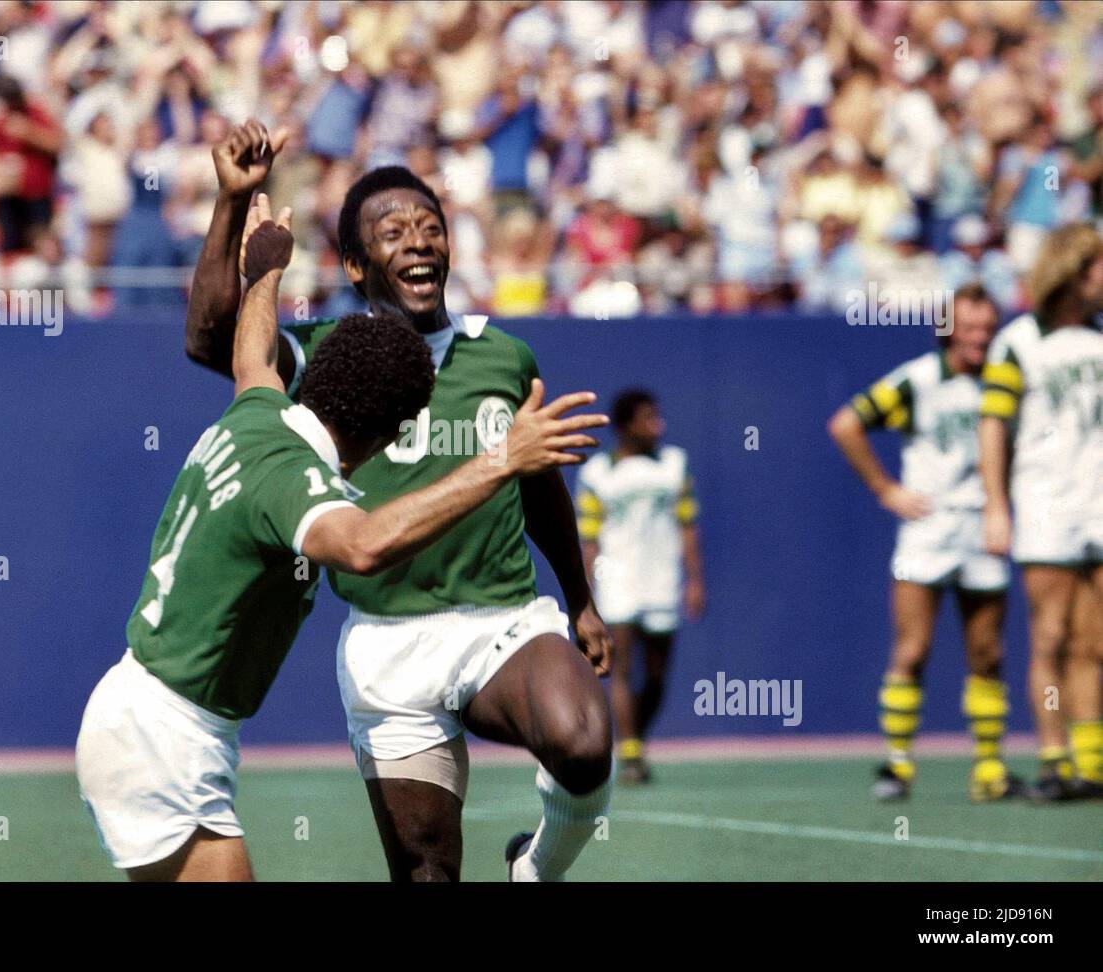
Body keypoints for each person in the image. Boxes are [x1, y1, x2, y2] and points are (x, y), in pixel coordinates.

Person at [76, 194, 607, 881]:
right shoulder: (295, 481)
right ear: (391, 432)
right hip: (165, 742)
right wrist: (501, 457)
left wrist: (264, 268)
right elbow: (362, 545)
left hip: (148, 724)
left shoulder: (258, 407)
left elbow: (249, 352)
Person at [828, 284, 1018, 802]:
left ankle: (988, 769)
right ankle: (898, 765)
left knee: (988, 651)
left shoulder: (1005, 381)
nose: (980, 336)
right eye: (970, 326)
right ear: (949, 329)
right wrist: (885, 488)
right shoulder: (919, 380)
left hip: (983, 526)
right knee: (912, 649)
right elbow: (847, 424)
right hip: (929, 531)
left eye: (987, 326)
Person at [978, 223, 1103, 802]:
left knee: (1094, 644)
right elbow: (992, 427)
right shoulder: (1020, 341)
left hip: (1098, 504)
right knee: (1049, 638)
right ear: (1075, 271)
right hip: (1047, 504)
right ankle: (1054, 759)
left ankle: (1093, 763)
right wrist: (997, 506)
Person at [576, 389, 705, 785]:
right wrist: (586, 593)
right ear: (626, 424)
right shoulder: (597, 473)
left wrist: (695, 580)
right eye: (649, 417)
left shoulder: (673, 464)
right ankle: (630, 752)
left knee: (657, 677)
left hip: (662, 580)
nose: (658, 425)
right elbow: (590, 539)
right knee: (621, 670)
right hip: (618, 581)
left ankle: (635, 740)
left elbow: (687, 526)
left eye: (658, 416)